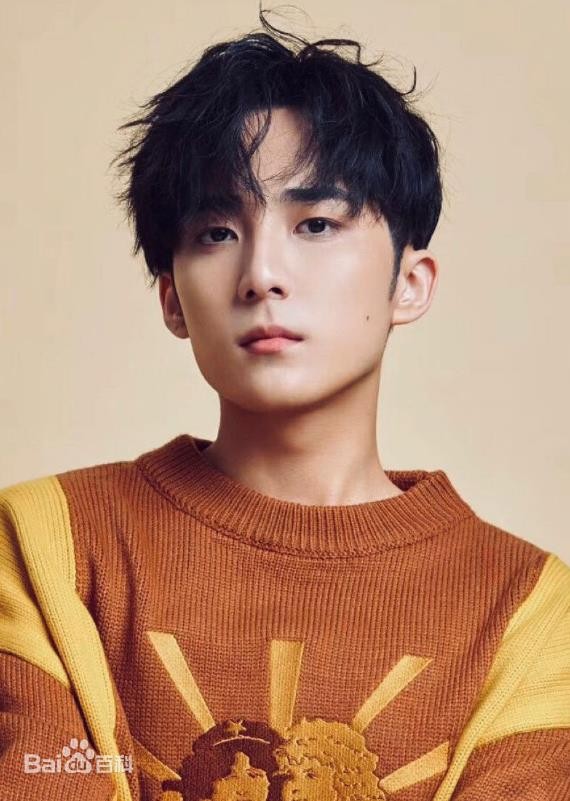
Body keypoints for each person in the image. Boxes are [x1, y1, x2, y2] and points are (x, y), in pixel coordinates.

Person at [1, 8, 568, 801]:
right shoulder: (47, 548)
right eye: (216, 233)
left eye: (317, 222)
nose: (262, 272)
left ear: (410, 283)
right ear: (172, 299)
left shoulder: (528, 610)